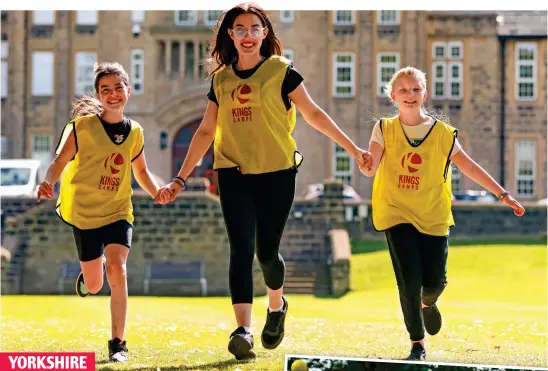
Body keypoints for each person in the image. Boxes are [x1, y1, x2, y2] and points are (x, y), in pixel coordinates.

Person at [155, 2, 367, 360]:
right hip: (232, 172)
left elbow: (313, 113)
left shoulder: (281, 72)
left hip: (277, 173)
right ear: (230, 35)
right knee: (240, 250)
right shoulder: (220, 80)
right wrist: (179, 179)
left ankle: (276, 305)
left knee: (266, 252)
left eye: (255, 28)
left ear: (265, 33)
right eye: (240, 29)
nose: (248, 35)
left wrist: (354, 148)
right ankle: (243, 330)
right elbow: (207, 130)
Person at [359, 66, 526, 361]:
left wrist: (503, 194)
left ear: (425, 93)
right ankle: (417, 345)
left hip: (433, 215)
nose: (410, 95)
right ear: (393, 95)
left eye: (415, 89)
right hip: (395, 211)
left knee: (434, 283)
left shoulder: (443, 134)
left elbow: (470, 166)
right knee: (408, 282)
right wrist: (366, 164)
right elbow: (372, 164)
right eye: (404, 90)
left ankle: (428, 302)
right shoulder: (383, 128)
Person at [37, 61, 169, 362]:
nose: (112, 94)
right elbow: (59, 163)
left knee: (118, 270)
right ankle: (88, 277)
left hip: (118, 212)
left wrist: (157, 192)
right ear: (98, 95)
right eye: (105, 90)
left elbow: (142, 171)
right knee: (96, 284)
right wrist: (48, 182)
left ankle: (118, 344)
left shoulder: (135, 132)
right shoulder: (81, 128)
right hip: (84, 214)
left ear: (128, 91)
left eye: (117, 88)